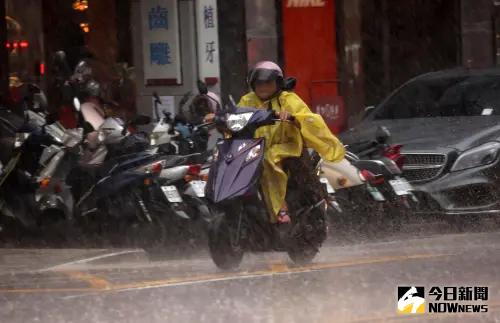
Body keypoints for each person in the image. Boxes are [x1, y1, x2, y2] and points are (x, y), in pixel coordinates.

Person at [208, 61, 345, 224]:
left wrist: (294, 118)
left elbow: (309, 119)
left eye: (268, 83)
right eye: (259, 83)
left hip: (286, 146)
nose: (263, 87)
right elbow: (235, 118)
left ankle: (280, 208)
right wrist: (219, 118)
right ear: (252, 84)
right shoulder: (247, 100)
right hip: (253, 146)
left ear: (278, 84)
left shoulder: (288, 99)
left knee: (267, 159)